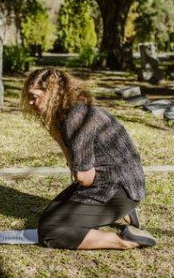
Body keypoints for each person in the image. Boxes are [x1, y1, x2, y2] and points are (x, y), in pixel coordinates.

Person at [21, 67, 156, 250]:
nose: (31, 102)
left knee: (51, 231)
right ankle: (125, 213)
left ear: (52, 94)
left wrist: (79, 178)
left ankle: (126, 240)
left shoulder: (75, 118)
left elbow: (85, 178)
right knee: (49, 217)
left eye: (35, 97)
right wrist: (56, 133)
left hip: (117, 188)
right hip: (121, 182)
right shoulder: (69, 112)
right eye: (28, 96)